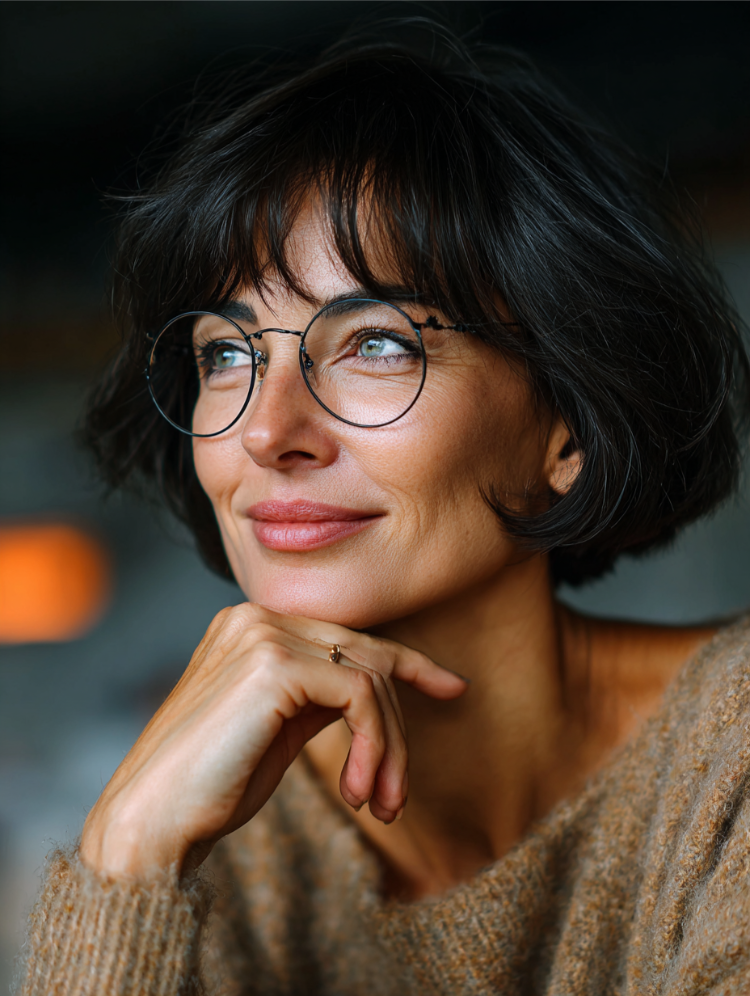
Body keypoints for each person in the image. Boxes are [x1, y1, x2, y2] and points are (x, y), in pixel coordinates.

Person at [17, 19, 750, 996]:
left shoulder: (731, 762)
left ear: (567, 427)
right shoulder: (202, 843)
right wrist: (125, 865)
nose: (269, 432)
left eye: (375, 344)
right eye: (226, 355)